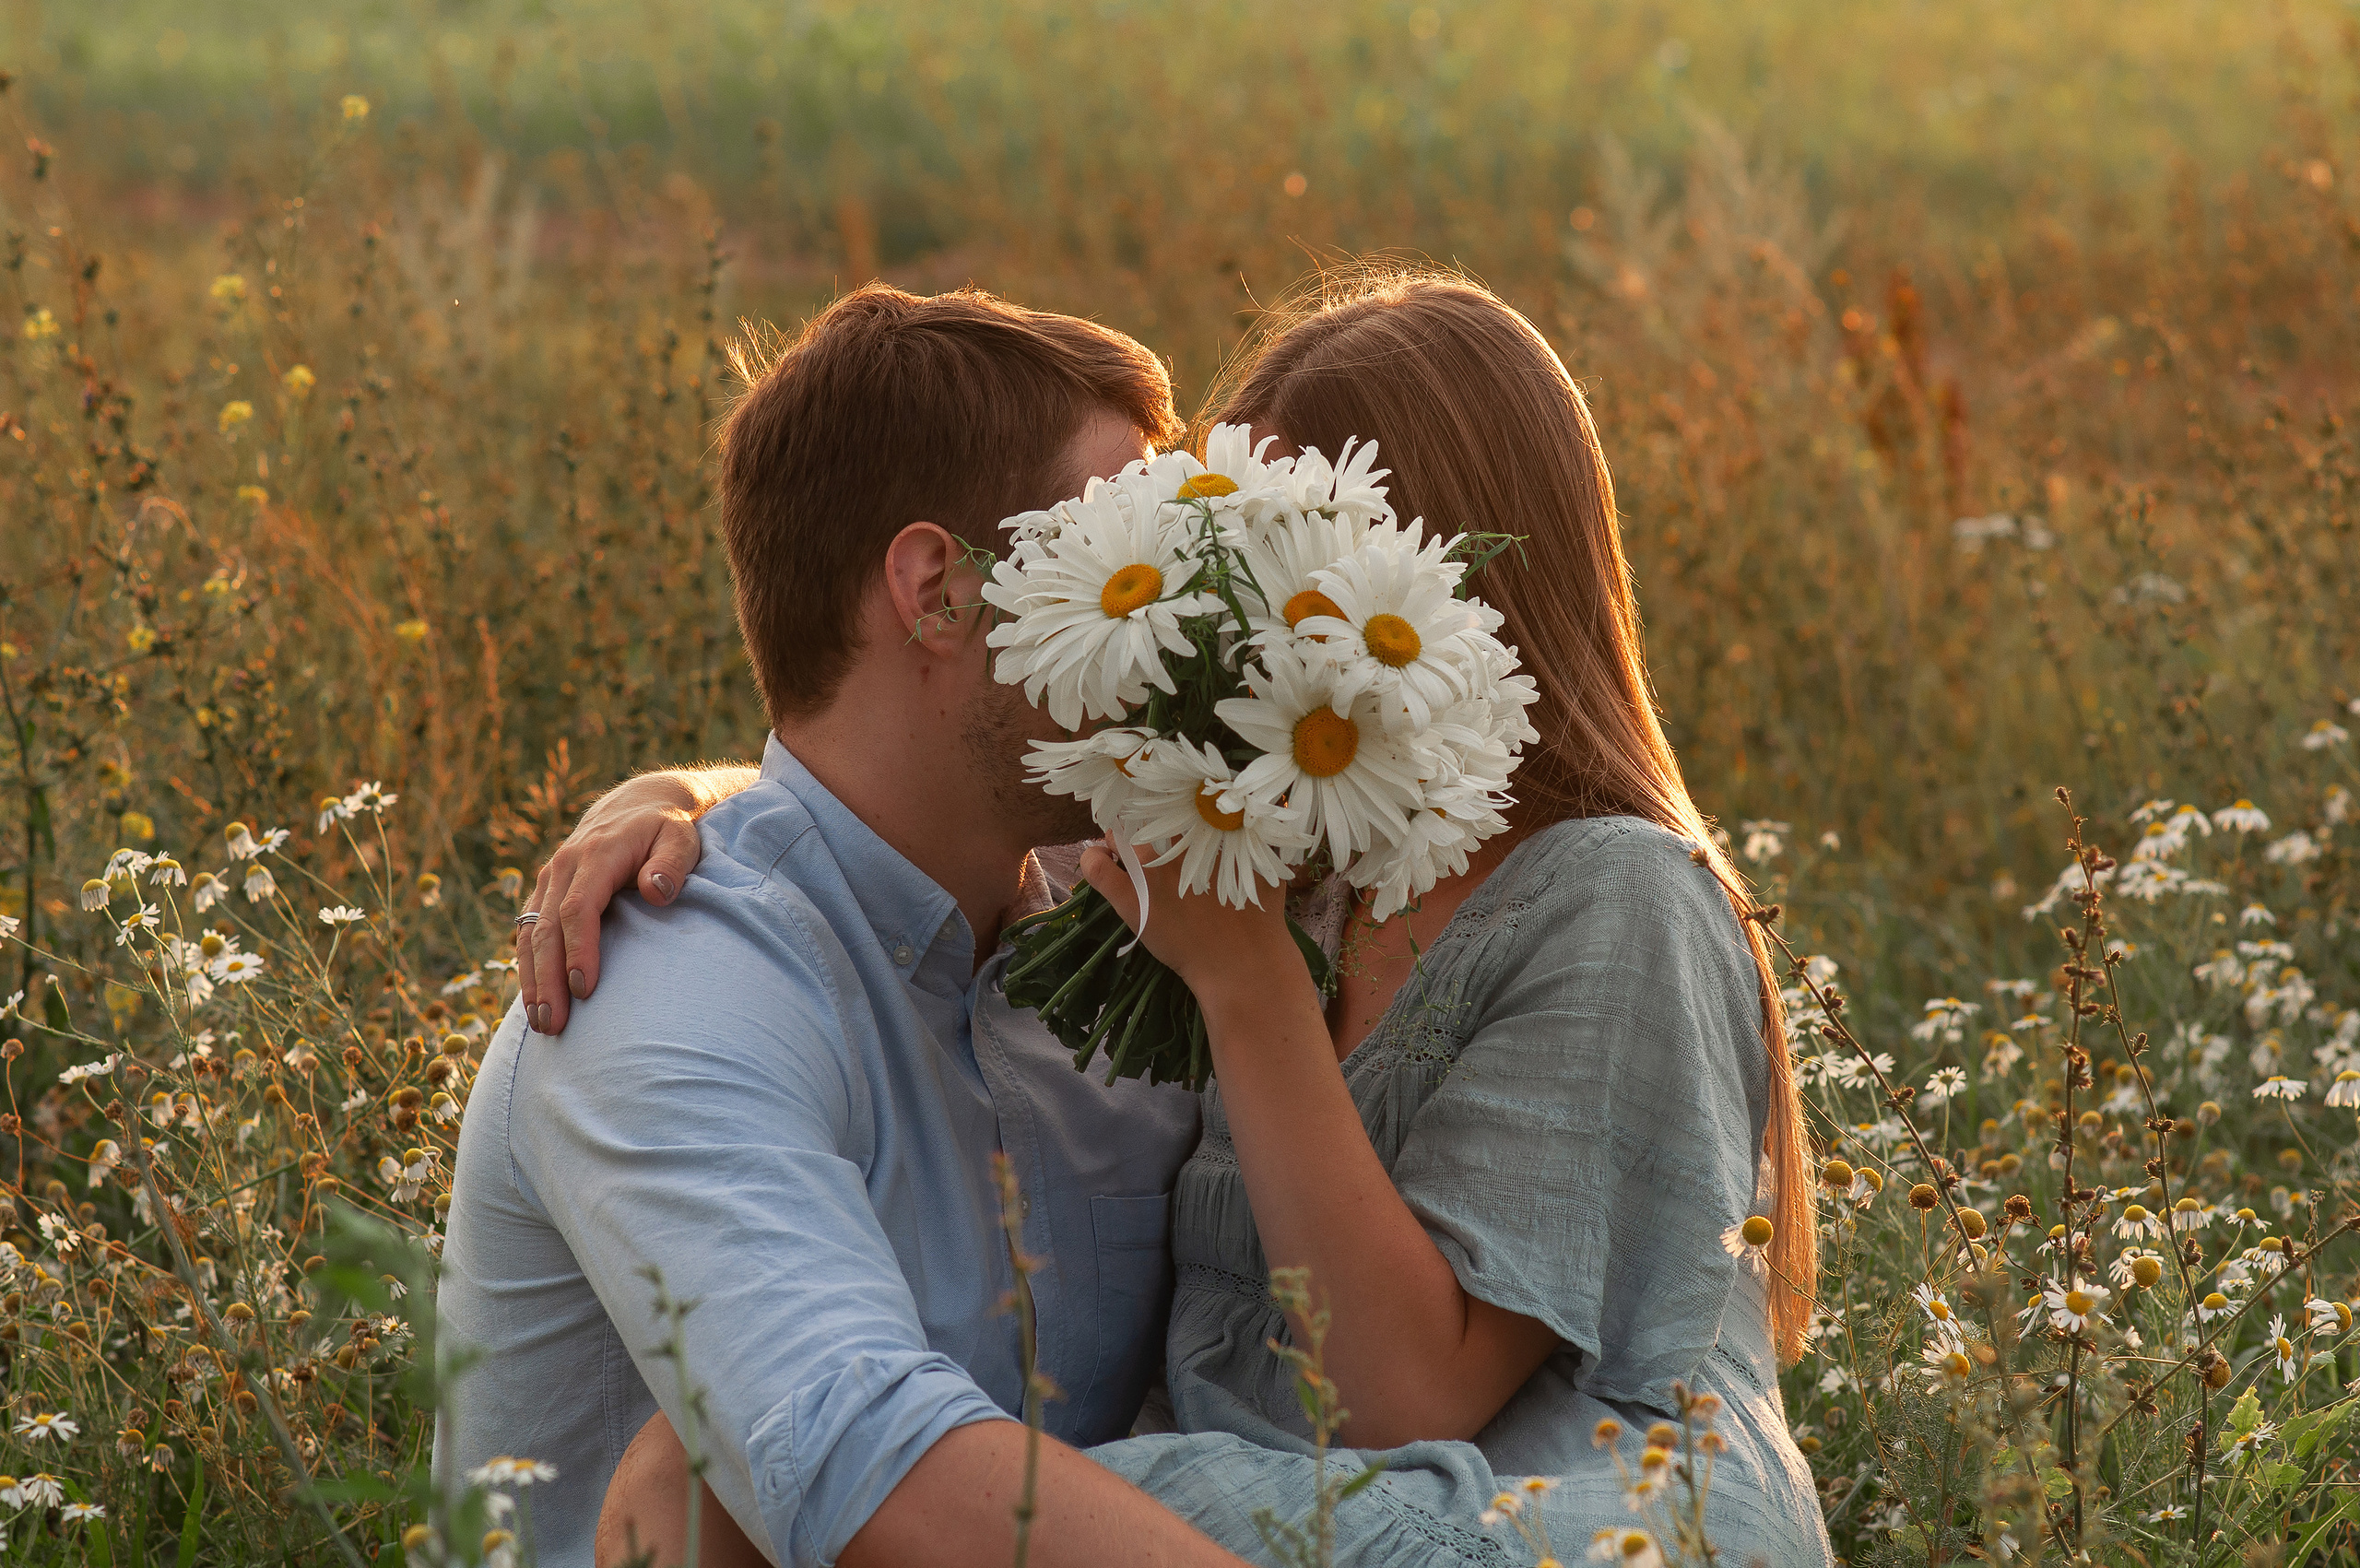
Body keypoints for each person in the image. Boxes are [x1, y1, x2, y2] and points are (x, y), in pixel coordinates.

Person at [537, 268, 1835, 1566]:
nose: (1188, 623)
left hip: (1554, 1511)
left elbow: (1398, 1399)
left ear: (1424, 587)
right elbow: (864, 809)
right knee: (701, 1486)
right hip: (1273, 1498)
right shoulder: (1274, 867)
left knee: (721, 1492)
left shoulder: (1607, 889)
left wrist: (1250, 981)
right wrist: (682, 800)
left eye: (1255, 566)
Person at [434, 284, 1260, 1568]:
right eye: (1121, 561)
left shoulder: (1130, 933)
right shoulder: (660, 976)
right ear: (937, 592)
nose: (1172, 624)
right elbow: (870, 1464)